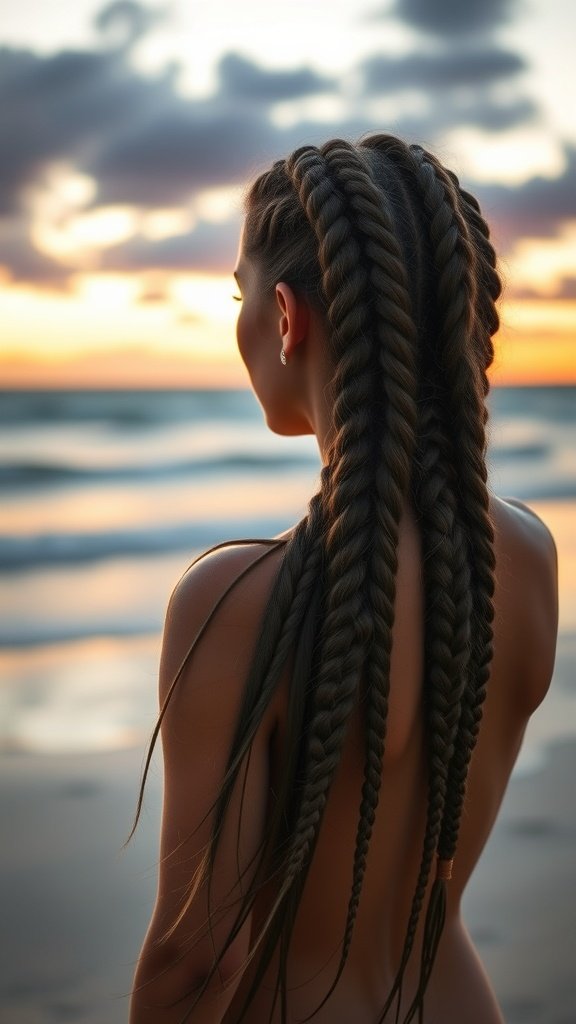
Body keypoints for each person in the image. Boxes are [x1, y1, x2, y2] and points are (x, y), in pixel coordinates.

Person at [129, 133, 558, 1023]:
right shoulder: (522, 558)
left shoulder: (237, 602)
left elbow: (194, 959)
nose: (240, 323)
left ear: (286, 318)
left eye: (238, 298)